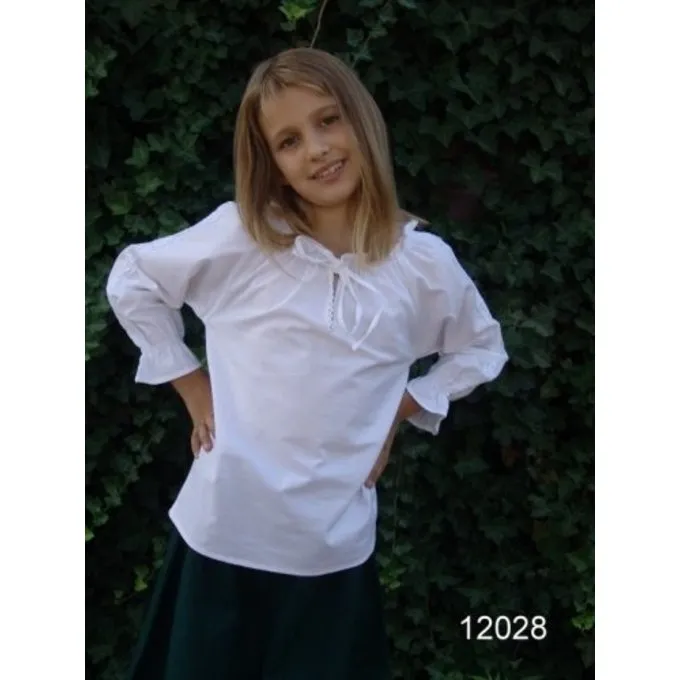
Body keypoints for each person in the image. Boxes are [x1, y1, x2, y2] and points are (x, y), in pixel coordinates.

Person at [106, 47, 508, 680]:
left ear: (361, 120)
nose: (317, 149)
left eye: (328, 120)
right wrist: (192, 386)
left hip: (332, 550)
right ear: (270, 162)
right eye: (289, 141)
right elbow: (134, 279)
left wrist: (398, 410)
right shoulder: (242, 240)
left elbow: (481, 348)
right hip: (224, 535)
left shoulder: (422, 265)